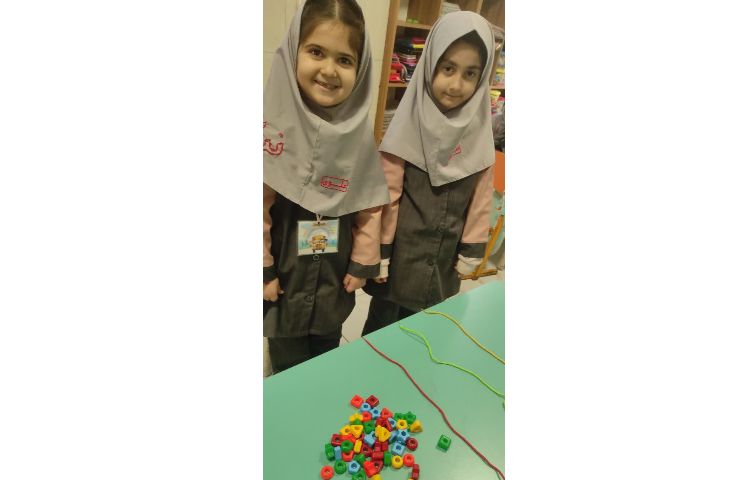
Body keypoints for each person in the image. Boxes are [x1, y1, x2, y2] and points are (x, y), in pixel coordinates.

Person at [263, 0, 389, 373]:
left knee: (326, 357)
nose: (329, 70)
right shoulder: (271, 131)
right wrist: (263, 270)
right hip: (283, 284)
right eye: (316, 52)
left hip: (334, 280)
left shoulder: (358, 138)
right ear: (293, 52)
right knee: (287, 364)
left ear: (360, 68)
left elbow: (369, 206)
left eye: (345, 59)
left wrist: (362, 263)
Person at [362, 11, 496, 334]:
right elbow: (388, 195)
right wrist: (381, 252)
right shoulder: (406, 127)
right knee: (381, 330)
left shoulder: (479, 136)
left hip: (443, 262)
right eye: (448, 68)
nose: (456, 84)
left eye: (470, 73)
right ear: (430, 65)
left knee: (426, 332)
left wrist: (471, 250)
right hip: (398, 263)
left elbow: (481, 198)